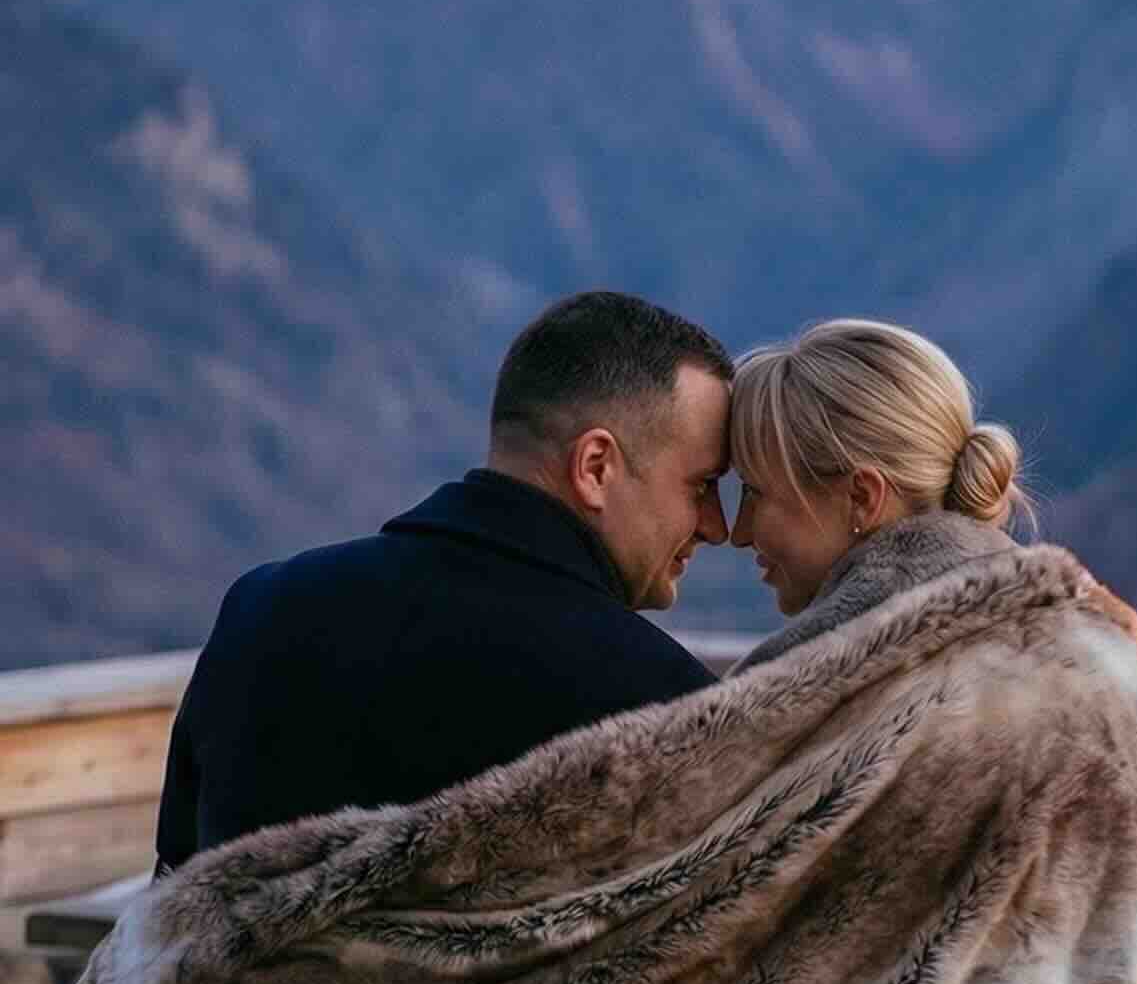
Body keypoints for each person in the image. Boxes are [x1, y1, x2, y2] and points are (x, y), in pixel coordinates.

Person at [154, 291, 732, 868]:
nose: (717, 526)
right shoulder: (660, 710)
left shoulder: (260, 609)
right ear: (595, 467)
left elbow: (172, 900)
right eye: (701, 485)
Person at [728, 316, 1029, 667]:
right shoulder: (1053, 638)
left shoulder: (824, 696)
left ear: (861, 497)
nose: (738, 533)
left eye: (754, 492)